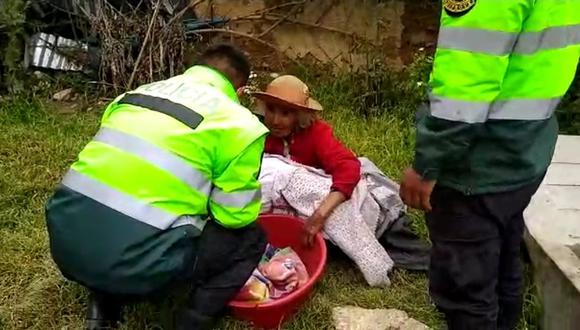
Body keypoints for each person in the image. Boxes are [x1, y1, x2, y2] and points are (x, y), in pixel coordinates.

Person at [45, 44, 269, 330]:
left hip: (66, 240)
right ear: (239, 92)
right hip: (141, 265)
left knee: (114, 215)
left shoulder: (135, 94)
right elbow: (234, 217)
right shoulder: (241, 126)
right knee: (250, 239)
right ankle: (191, 322)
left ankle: (103, 302)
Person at [400, 1, 580, 329]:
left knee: (467, 292)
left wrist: (428, 162)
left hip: (479, 161)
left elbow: (465, 87)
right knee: (502, 262)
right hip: (526, 150)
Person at [251, 75, 361, 247]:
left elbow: (349, 167)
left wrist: (320, 214)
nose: (275, 121)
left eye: (286, 113)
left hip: (315, 202)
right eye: (271, 110)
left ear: (300, 116)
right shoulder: (259, 133)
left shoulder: (317, 134)